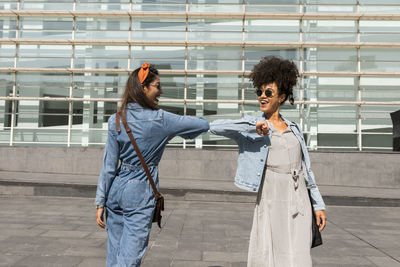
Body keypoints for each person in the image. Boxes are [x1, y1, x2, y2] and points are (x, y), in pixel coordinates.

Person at [210, 56, 326, 267]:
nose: (262, 97)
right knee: (270, 252)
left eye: (268, 93)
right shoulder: (254, 126)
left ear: (281, 97)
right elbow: (216, 127)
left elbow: (306, 169)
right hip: (271, 196)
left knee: (299, 253)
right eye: (260, 92)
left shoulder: (294, 129)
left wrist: (318, 205)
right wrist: (252, 126)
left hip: (299, 197)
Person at [94, 62, 209, 266]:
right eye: (157, 85)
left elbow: (109, 166)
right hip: (139, 191)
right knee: (129, 259)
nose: (160, 91)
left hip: (116, 191)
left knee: (114, 256)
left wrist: (100, 202)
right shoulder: (160, 119)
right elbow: (200, 125)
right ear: (143, 88)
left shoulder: (116, 119)